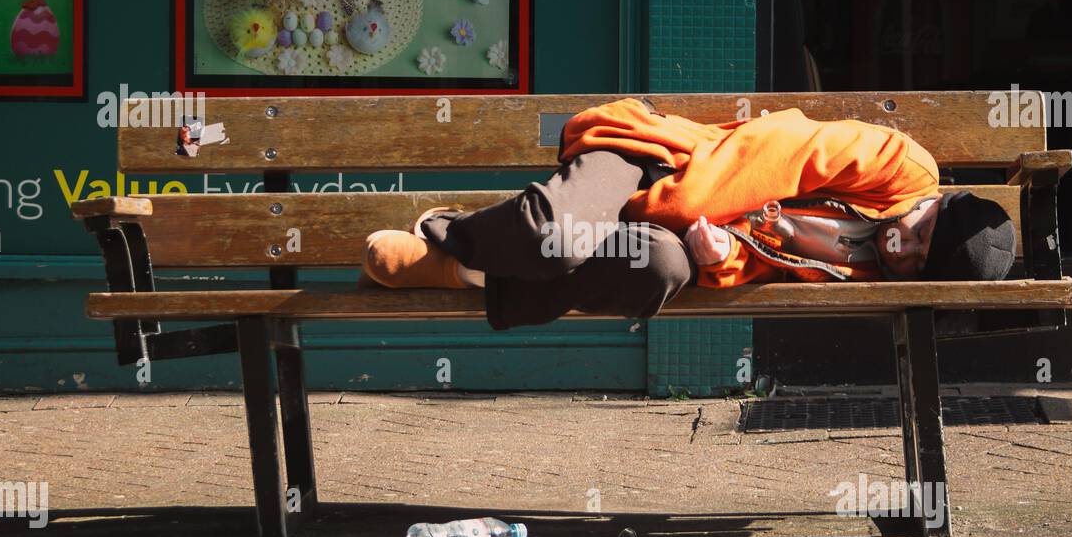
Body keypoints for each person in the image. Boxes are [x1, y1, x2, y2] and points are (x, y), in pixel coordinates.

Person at [362, 97, 1016, 330]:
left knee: (657, 269)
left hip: (665, 231)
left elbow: (765, 268)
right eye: (921, 232)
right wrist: (664, 209)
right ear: (937, 202)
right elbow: (774, 149)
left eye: (917, 262)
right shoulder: (901, 165)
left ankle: (470, 272)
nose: (904, 247)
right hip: (652, 164)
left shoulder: (874, 273)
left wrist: (720, 260)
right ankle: (449, 238)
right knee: (564, 236)